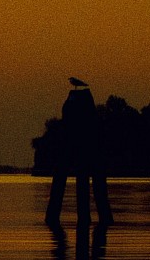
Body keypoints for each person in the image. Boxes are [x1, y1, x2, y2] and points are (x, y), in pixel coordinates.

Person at [44, 80, 114, 225]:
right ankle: (92, 221)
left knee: (80, 176)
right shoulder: (79, 103)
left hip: (84, 148)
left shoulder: (74, 105)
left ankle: (80, 220)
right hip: (84, 147)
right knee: (86, 180)